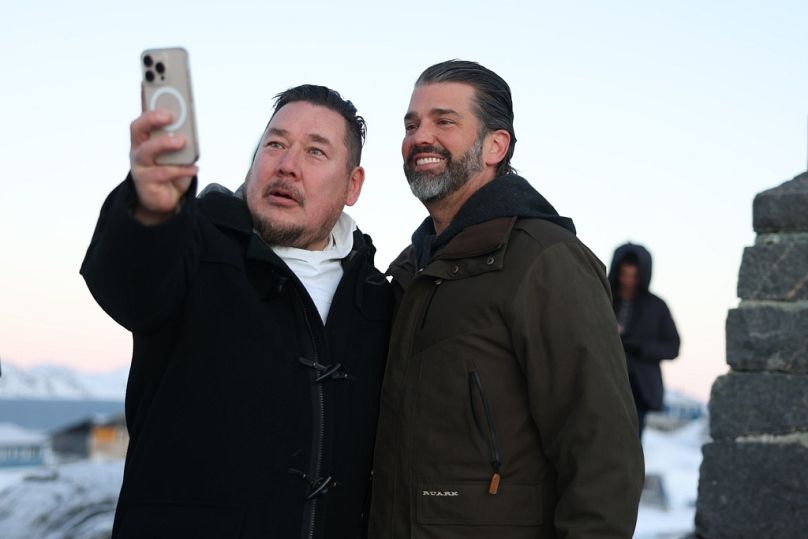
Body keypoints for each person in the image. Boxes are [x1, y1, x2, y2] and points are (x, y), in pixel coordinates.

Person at [81, 85, 392, 538]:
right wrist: (148, 208)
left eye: (315, 152)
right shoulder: (192, 247)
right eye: (275, 144)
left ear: (352, 185)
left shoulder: (377, 299)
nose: (287, 164)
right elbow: (128, 284)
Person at [368, 60, 644, 539]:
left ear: (497, 145)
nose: (420, 137)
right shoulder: (412, 270)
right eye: (411, 124)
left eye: (444, 121)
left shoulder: (545, 260)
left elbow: (602, 454)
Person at [608, 243, 680, 437]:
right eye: (624, 274)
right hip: (604, 383)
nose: (628, 281)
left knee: (631, 443)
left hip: (639, 391)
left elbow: (673, 347)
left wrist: (639, 345)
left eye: (634, 276)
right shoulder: (603, 299)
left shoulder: (656, 307)